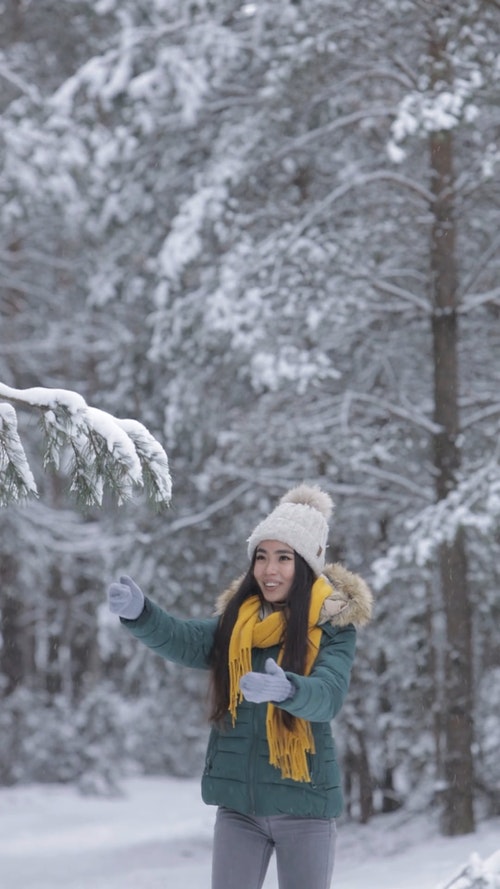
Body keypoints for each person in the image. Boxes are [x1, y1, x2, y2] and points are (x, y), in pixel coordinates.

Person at [107, 483, 372, 889]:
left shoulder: (333, 626)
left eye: (284, 558)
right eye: (262, 557)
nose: (270, 570)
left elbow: (329, 695)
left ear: (306, 564)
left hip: (305, 805)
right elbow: (188, 639)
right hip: (238, 810)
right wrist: (142, 614)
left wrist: (289, 691)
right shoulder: (240, 622)